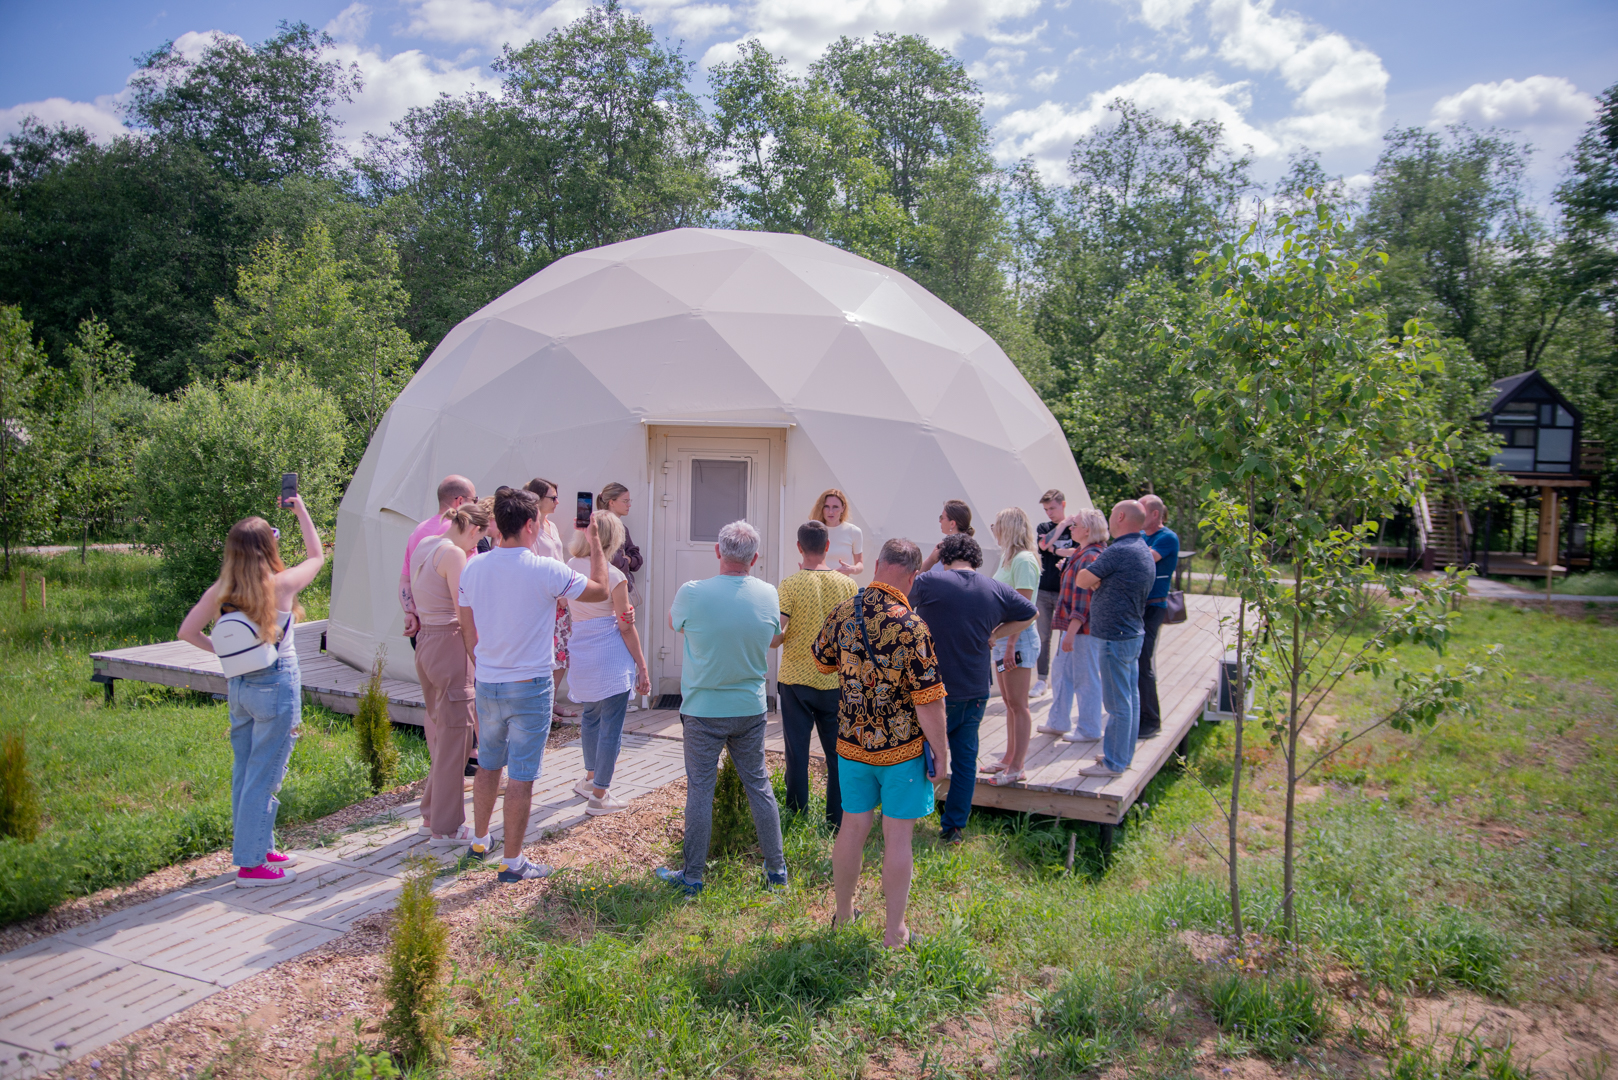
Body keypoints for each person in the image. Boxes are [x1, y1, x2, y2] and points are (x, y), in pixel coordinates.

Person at [457, 487, 613, 882]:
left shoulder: (474, 566)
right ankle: (513, 862)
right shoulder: (544, 568)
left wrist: (481, 659)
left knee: (489, 763)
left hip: (489, 680)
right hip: (530, 683)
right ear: (531, 525)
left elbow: (466, 623)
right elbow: (598, 589)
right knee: (522, 774)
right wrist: (594, 542)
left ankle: (479, 841)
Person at [178, 496, 325, 887]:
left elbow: (187, 632)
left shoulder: (222, 589)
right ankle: (250, 864)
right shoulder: (281, 584)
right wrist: (301, 511)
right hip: (275, 683)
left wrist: (229, 655)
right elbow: (317, 555)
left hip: (239, 686)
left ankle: (261, 844)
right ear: (268, 548)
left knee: (246, 771)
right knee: (267, 774)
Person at [813, 538, 948, 947]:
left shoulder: (843, 612)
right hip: (902, 749)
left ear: (876, 564)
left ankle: (843, 915)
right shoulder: (911, 625)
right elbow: (929, 702)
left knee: (852, 828)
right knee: (898, 838)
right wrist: (942, 752)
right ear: (911, 576)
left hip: (852, 743)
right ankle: (894, 932)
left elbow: (821, 659)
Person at [655, 521, 788, 896]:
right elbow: (774, 635)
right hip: (749, 706)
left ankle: (693, 876)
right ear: (755, 558)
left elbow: (674, 623)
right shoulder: (768, 594)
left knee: (700, 789)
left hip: (703, 708)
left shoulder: (693, 592)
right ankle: (776, 871)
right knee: (758, 786)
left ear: (718, 552)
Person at [910, 533, 1036, 842]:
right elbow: (1030, 613)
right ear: (976, 559)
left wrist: (929, 560)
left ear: (945, 557)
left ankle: (907, 816)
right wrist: (998, 632)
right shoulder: (994, 588)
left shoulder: (930, 583)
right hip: (976, 688)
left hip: (935, 689)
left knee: (915, 752)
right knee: (966, 760)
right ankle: (953, 827)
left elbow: (898, 594)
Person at [409, 500, 491, 847]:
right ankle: (446, 827)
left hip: (426, 640)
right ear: (473, 529)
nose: (476, 548)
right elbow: (464, 609)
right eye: (478, 541)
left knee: (446, 735)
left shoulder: (426, 544)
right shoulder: (455, 555)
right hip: (449, 643)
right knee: (457, 737)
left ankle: (431, 815)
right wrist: (479, 654)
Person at [771, 520, 859, 830]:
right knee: (838, 756)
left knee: (797, 753)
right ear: (826, 547)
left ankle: (796, 816)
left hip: (796, 679)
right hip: (835, 681)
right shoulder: (848, 586)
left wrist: (776, 637)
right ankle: (837, 821)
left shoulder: (791, 584)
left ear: (799, 547)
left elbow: (776, 633)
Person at [564, 509, 651, 816]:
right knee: (611, 725)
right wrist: (642, 666)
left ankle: (589, 779)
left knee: (590, 715)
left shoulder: (570, 567)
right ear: (614, 539)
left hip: (582, 650)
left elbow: (564, 603)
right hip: (611, 655)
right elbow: (625, 626)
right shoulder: (615, 577)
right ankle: (600, 794)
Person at [1070, 500, 1155, 778]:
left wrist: (1095, 578)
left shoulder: (1119, 551)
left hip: (1115, 637)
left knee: (1118, 704)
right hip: (1131, 633)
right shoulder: (1141, 548)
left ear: (1120, 516)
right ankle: (1121, 754)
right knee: (1130, 699)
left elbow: (1082, 579)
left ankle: (1114, 762)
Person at [1037, 506, 1110, 743]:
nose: (1072, 528)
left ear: (1087, 530)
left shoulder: (1090, 556)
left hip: (1082, 630)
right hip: (1075, 628)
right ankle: (1058, 720)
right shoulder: (1083, 553)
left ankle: (1089, 728)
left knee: (1085, 678)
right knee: (1061, 673)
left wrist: (1071, 633)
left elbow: (1083, 598)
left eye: (1076, 525)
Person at [980, 507, 1042, 784]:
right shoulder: (1009, 559)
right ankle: (1007, 758)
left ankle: (1017, 766)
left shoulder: (1024, 561)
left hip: (1016, 639)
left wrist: (1009, 645)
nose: (993, 529)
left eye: (997, 524)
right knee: (1008, 702)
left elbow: (1024, 610)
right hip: (1002, 638)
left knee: (1019, 703)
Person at [523, 478, 577, 721]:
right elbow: (532, 565)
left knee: (562, 654)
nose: (557, 502)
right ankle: (541, 704)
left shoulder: (551, 526)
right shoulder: (529, 527)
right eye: (552, 497)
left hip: (561, 599)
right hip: (545, 601)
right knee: (546, 654)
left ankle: (551, 701)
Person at [400, 475, 477, 642]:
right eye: (475, 499)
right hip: (451, 630)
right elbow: (464, 588)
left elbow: (405, 581)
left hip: (422, 627)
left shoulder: (418, 531)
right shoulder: (462, 533)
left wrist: (410, 612)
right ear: (460, 501)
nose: (477, 505)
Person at [1137, 494, 1181, 741]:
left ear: (1155, 514)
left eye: (1141, 512)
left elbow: (1144, 558)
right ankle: (1140, 714)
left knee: (1144, 662)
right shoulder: (1143, 537)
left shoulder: (1167, 537)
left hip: (1153, 606)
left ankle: (1151, 720)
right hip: (1138, 606)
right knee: (1136, 662)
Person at [1033, 489, 1075, 697]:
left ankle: (1063, 678)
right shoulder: (1045, 527)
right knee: (1043, 636)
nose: (1049, 513)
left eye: (1053, 508)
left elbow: (1078, 552)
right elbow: (1042, 544)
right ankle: (1042, 679)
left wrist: (1055, 550)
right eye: (1046, 509)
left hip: (1065, 592)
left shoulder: (1077, 528)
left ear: (1063, 505)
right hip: (1044, 590)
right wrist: (1062, 526)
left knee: (1065, 637)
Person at [597, 482, 644, 610]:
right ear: (611, 502)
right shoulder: (601, 526)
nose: (629, 505)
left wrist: (628, 560)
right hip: (607, 591)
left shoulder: (623, 528)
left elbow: (637, 559)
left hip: (621, 589)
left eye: (629, 501)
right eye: (625, 501)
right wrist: (625, 561)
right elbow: (612, 560)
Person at [810, 488, 864, 576]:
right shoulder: (813, 531)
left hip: (842, 586)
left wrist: (852, 569)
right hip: (819, 586)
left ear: (843, 508)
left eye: (835, 507)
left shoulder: (854, 531)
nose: (830, 512)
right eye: (826, 506)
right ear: (821, 508)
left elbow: (860, 565)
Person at [920, 499, 974, 572]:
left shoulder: (950, 550)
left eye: (942, 517)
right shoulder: (969, 550)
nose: (940, 521)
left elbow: (917, 577)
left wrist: (931, 560)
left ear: (952, 524)